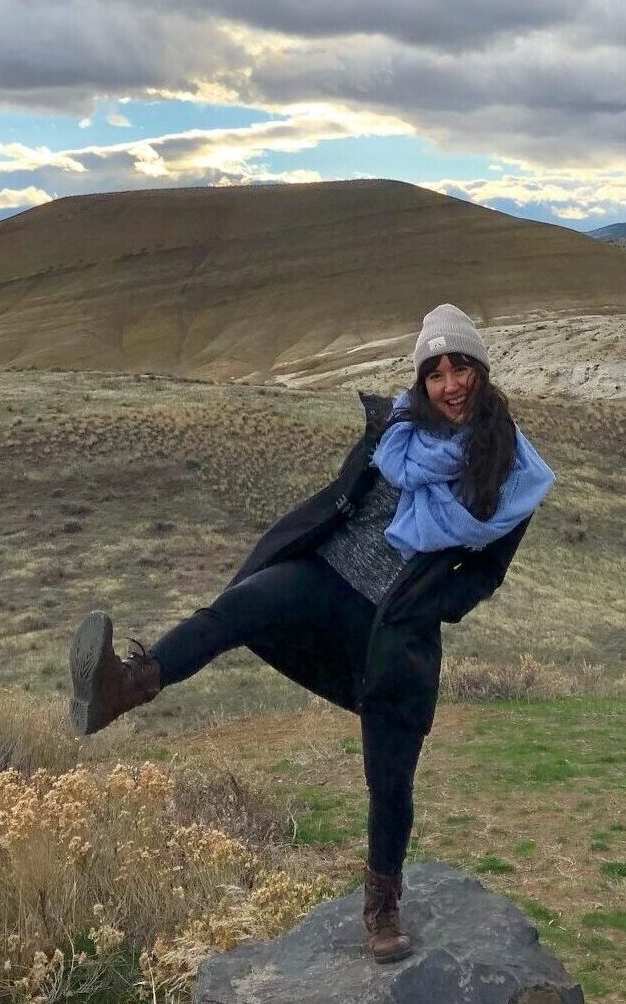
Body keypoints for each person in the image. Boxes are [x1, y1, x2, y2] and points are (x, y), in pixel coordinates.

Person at [68, 303, 556, 964]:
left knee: (390, 777)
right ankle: (124, 686)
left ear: (481, 369)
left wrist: (437, 600)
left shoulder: (510, 470)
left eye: (460, 365)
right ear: (422, 381)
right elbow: (346, 493)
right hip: (326, 577)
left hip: (397, 623)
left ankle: (382, 903)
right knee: (236, 608)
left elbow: (488, 570)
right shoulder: (395, 428)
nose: (450, 383)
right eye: (435, 371)